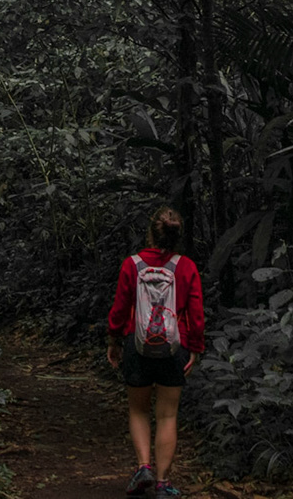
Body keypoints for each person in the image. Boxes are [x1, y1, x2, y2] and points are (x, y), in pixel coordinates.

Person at [105, 207, 204, 498]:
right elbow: (196, 314)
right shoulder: (186, 267)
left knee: (138, 409)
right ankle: (162, 483)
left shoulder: (132, 265)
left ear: (151, 232)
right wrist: (194, 348)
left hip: (137, 346)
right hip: (175, 347)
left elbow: (120, 308)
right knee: (168, 415)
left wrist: (114, 340)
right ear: (177, 236)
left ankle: (143, 467)